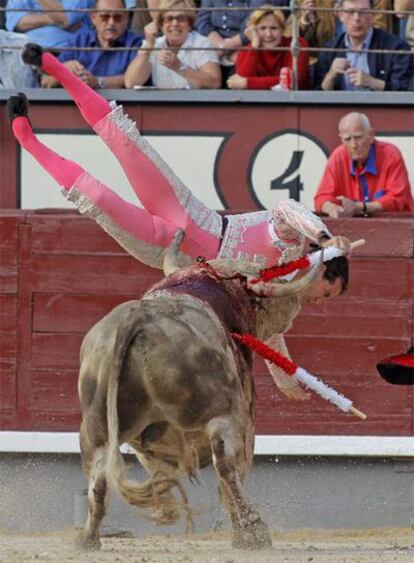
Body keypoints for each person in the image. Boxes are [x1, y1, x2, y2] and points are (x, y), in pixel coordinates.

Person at [314, 112, 414, 217]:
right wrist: (332, 208)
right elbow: (321, 198)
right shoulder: (338, 157)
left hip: (397, 227)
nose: (353, 145)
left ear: (371, 135)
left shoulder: (390, 154)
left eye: (358, 138)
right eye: (347, 139)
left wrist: (360, 207)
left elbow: (398, 198)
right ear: (341, 139)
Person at [313, 0, 413, 91]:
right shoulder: (329, 49)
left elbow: (405, 89)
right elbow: (315, 97)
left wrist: (373, 83)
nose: (357, 18)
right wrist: (331, 76)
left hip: (380, 109)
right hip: (339, 110)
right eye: (350, 12)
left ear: (372, 14)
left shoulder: (395, 47)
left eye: (363, 11)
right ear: (340, 15)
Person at [41, 0, 143, 89]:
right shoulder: (79, 42)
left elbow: (134, 79)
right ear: (93, 18)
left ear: (126, 18)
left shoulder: (136, 43)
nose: (111, 22)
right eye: (105, 17)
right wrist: (63, 71)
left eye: (117, 17)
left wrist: (97, 82)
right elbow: (46, 81)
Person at [124, 0, 221, 89]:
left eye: (181, 18)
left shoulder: (202, 43)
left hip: (195, 105)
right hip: (162, 105)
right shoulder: (154, 44)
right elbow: (131, 82)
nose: (174, 23)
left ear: (189, 23)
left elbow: (214, 82)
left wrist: (180, 67)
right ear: (161, 25)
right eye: (169, 19)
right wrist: (148, 46)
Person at [227, 5, 309, 90]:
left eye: (273, 28)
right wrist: (255, 47)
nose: (268, 34)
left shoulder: (297, 44)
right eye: (262, 28)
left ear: (282, 29)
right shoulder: (246, 51)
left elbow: (294, 81)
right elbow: (237, 84)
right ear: (254, 30)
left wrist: (248, 83)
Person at [5, 0, 94, 49]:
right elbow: (16, 22)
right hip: (29, 55)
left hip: (68, 54)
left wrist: (61, 19)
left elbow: (66, 18)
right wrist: (54, 19)